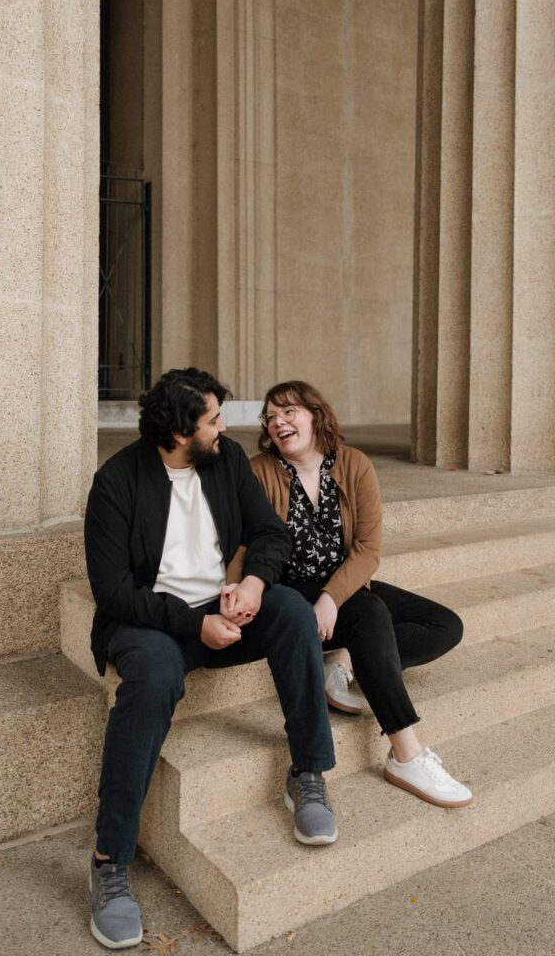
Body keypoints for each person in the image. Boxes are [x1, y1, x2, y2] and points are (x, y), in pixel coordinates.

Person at [84, 368, 337, 950]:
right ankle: (109, 859)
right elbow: (114, 592)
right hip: (152, 622)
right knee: (150, 680)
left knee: (294, 612)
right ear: (178, 429)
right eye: (213, 420)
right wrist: (192, 622)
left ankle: (308, 773)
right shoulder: (117, 482)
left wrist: (252, 583)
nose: (226, 427)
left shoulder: (223, 463)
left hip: (223, 609)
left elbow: (271, 533)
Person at [250, 379, 473, 811]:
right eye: (271, 416)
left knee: (445, 625)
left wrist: (331, 597)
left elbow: (368, 551)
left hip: (344, 586)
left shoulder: (354, 465)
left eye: (289, 411)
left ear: (315, 414)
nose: (278, 422)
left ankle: (344, 658)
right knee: (370, 613)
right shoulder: (259, 470)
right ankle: (406, 754)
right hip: (290, 590)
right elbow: (250, 544)